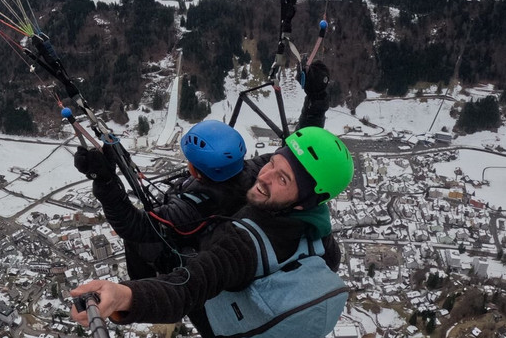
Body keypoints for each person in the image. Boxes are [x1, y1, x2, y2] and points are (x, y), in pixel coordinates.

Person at [69, 126, 353, 338]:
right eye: (273, 163)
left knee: (153, 245)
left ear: (303, 201)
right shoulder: (323, 237)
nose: (264, 177)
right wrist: (317, 99)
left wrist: (123, 296)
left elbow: (187, 287)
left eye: (283, 179)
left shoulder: (242, 246)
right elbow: (311, 166)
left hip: (223, 327)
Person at [73, 60, 332, 279]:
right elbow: (300, 154)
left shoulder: (191, 208)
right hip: (227, 230)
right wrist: (317, 99)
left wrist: (105, 182)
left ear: (196, 172)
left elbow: (134, 227)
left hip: (194, 259)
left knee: (143, 245)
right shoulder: (258, 173)